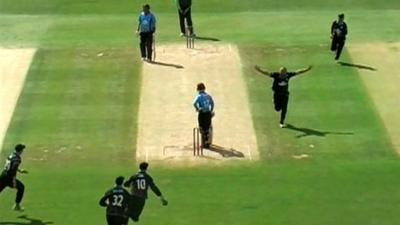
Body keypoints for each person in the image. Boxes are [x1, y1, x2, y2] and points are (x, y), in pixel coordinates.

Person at [0, 144, 28, 211]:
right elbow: (13, 169)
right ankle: (17, 206)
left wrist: (20, 170)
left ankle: (17, 206)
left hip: (3, 175)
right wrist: (14, 181)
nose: (23, 151)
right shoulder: (17, 159)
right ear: (20, 150)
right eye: (22, 150)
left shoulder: (11, 155)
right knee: (21, 187)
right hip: (9, 177)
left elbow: (10, 165)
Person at [193, 82, 214, 148]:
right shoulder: (208, 96)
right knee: (207, 128)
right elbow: (212, 103)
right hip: (208, 113)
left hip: (202, 113)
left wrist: (197, 109)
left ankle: (204, 143)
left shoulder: (199, 96)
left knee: (201, 128)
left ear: (198, 89)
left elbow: (194, 103)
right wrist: (211, 111)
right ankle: (207, 143)